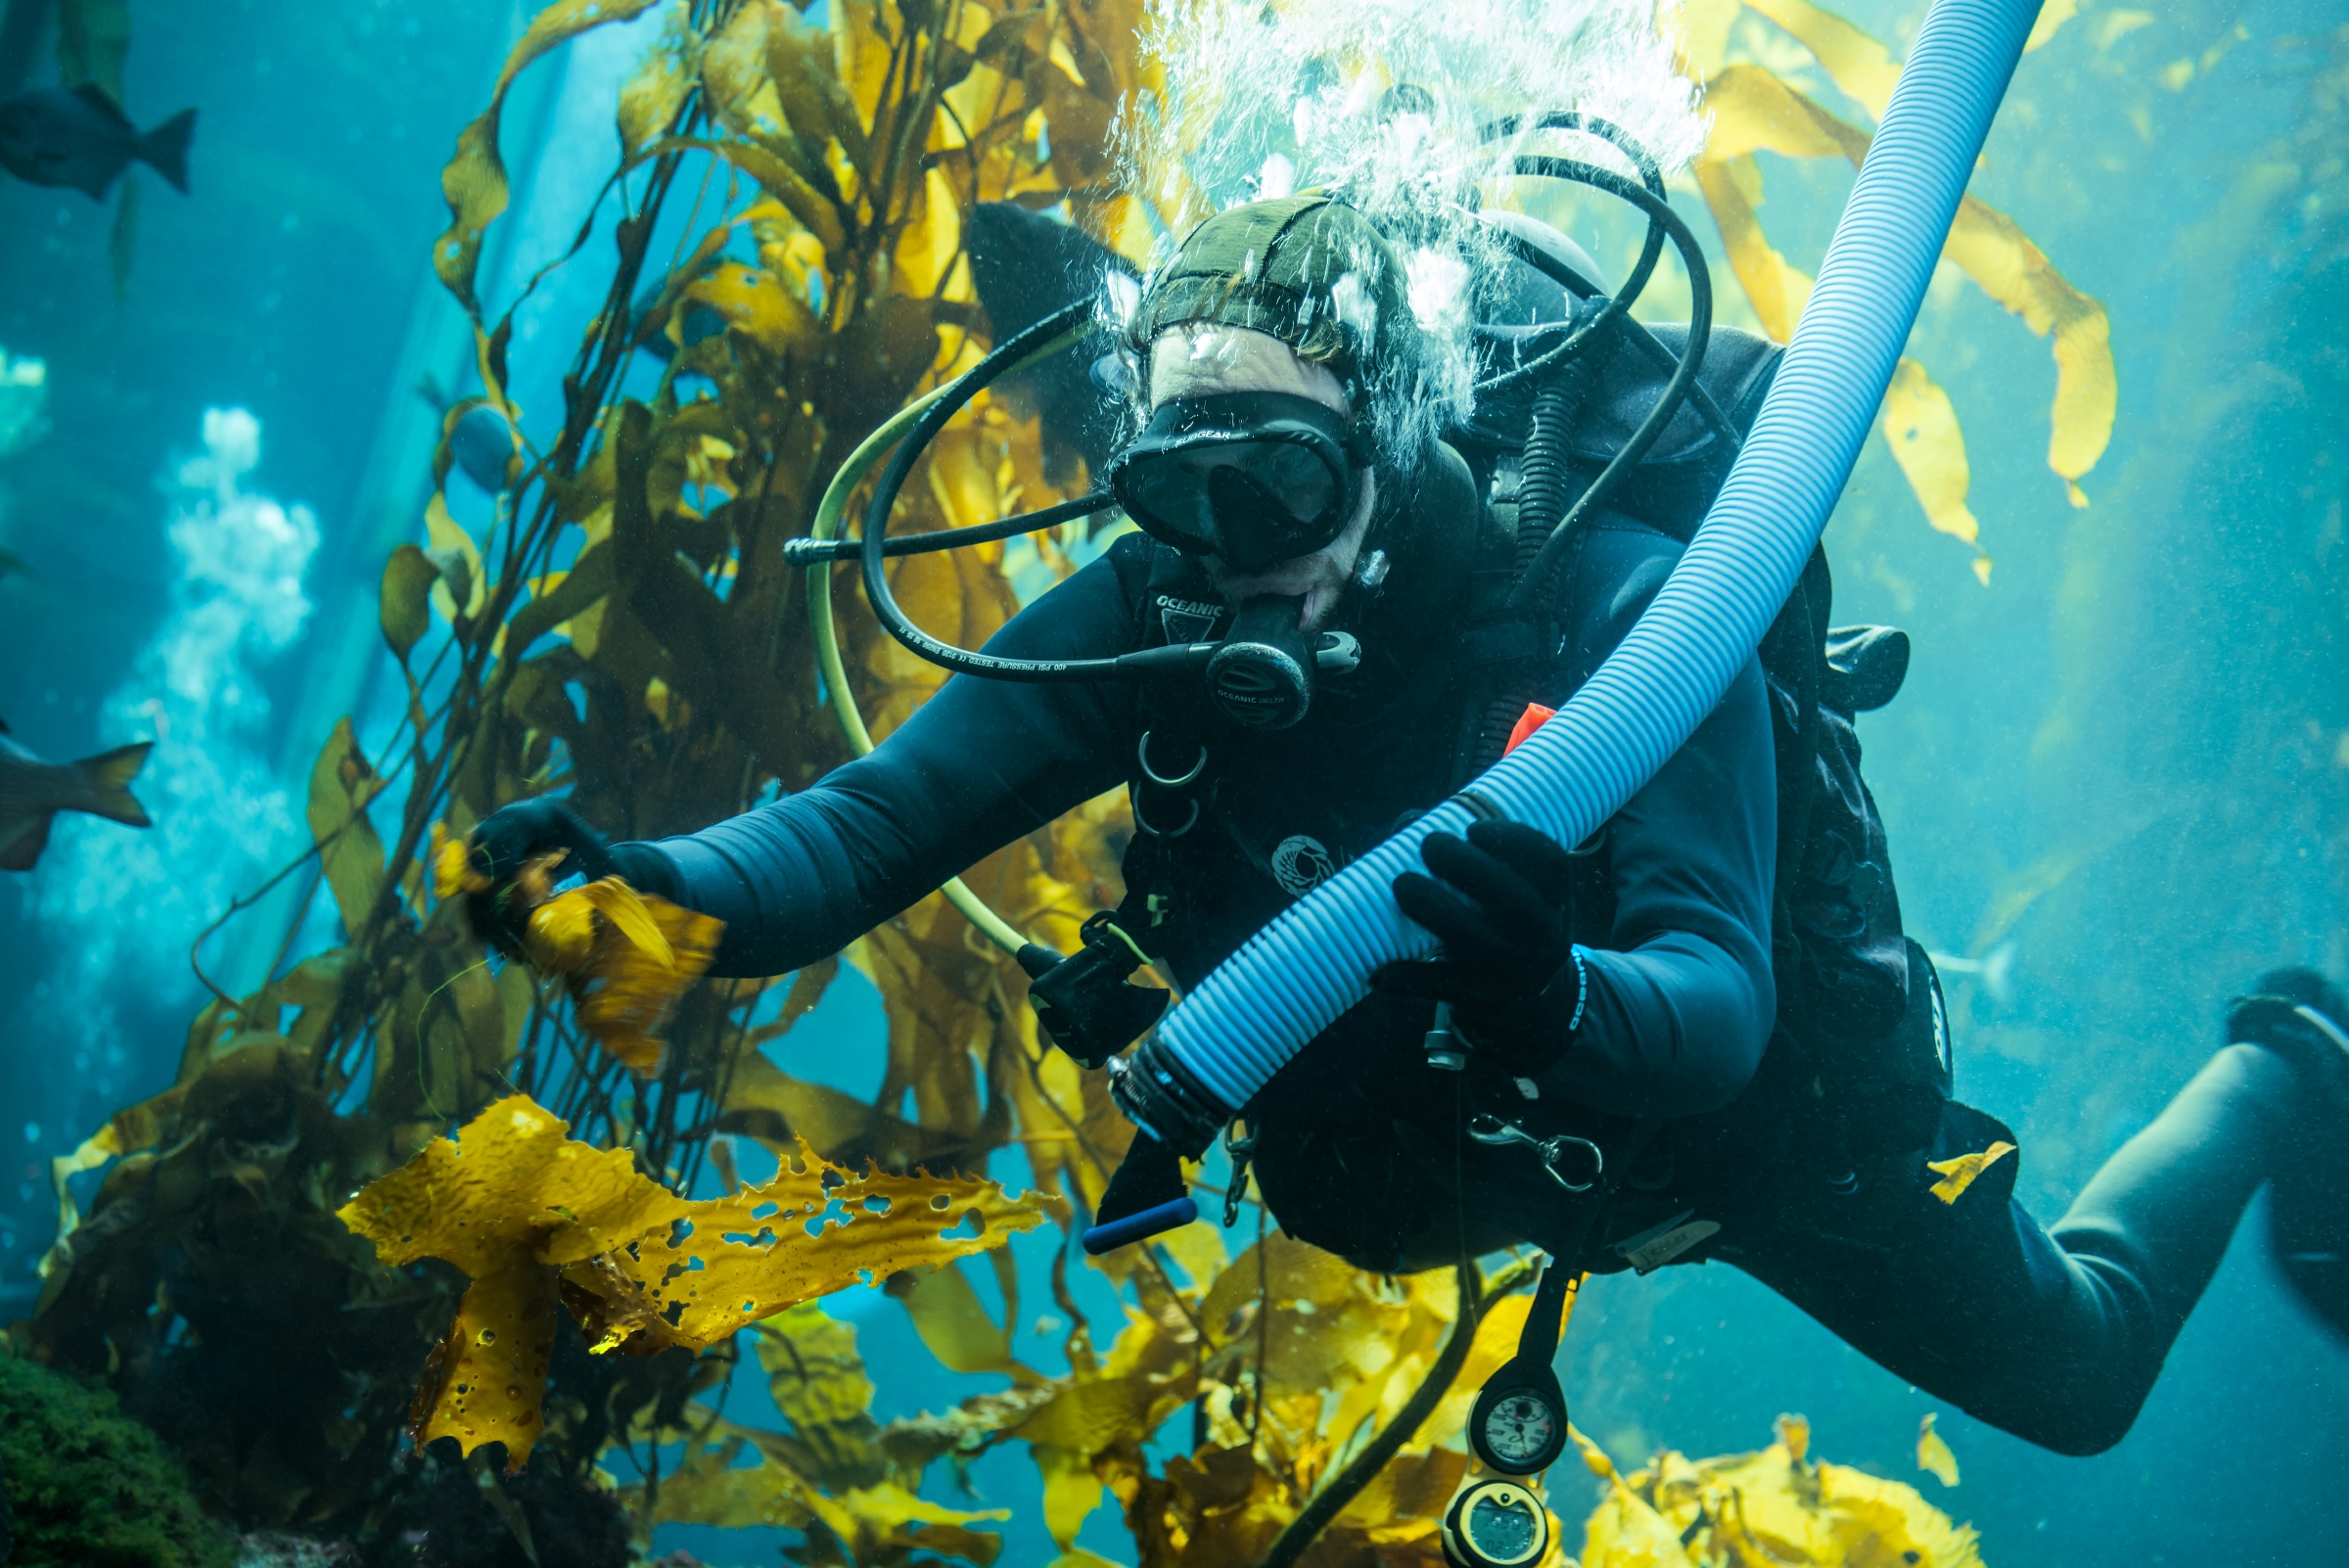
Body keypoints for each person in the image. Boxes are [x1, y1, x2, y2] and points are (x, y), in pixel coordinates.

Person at [464, 196, 2349, 1457]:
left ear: (1396, 443)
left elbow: (1714, 995)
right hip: (1437, 1153)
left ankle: (2281, 1064)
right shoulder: (1168, 601)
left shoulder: (1622, 599)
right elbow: (869, 829)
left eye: (1277, 481)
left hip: (1742, 1142)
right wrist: (640, 892)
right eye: (1172, 489)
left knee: (2086, 1378)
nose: (1221, 559)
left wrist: (1556, 997)